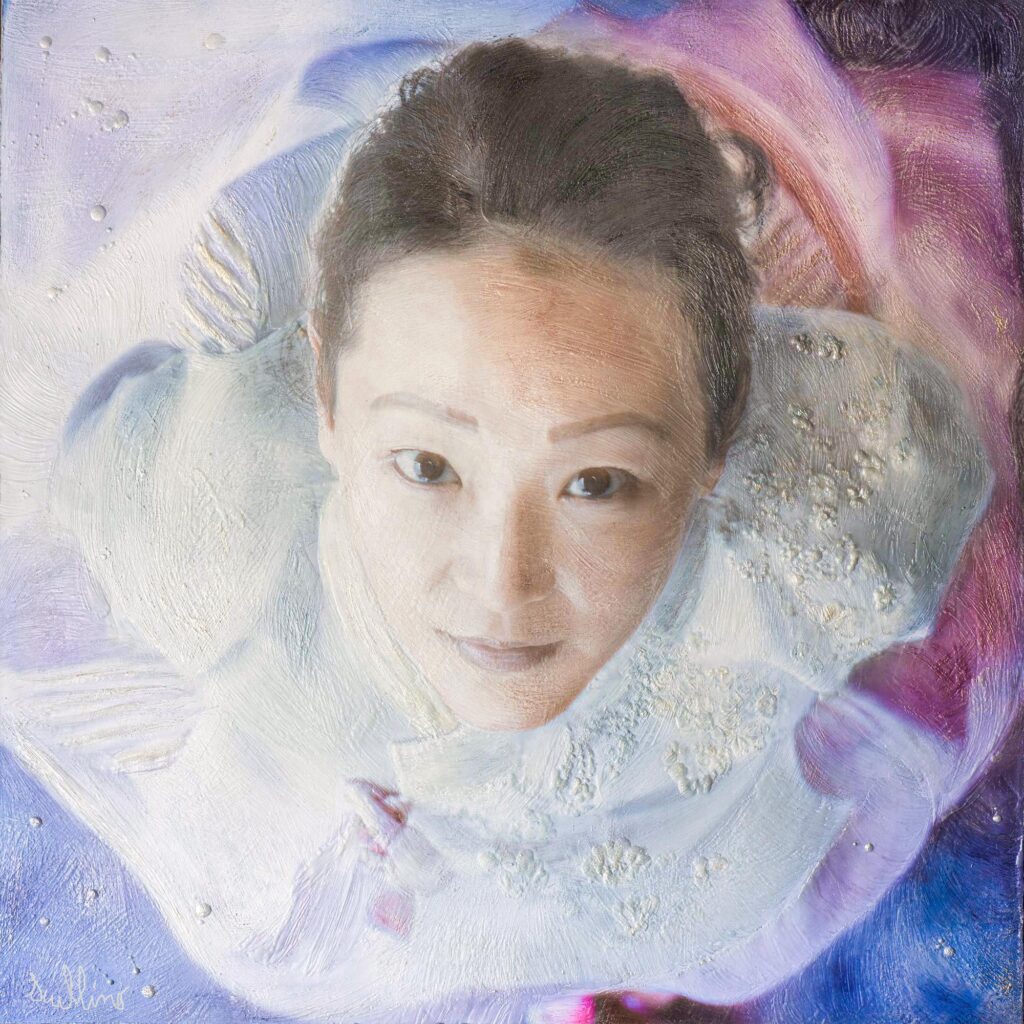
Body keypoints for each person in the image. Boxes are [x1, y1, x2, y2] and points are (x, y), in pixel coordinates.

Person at [1, 38, 992, 1023]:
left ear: (718, 445)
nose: (501, 583)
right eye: (428, 467)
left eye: (595, 484)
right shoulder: (214, 530)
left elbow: (922, 458)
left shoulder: (824, 503)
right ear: (326, 408)